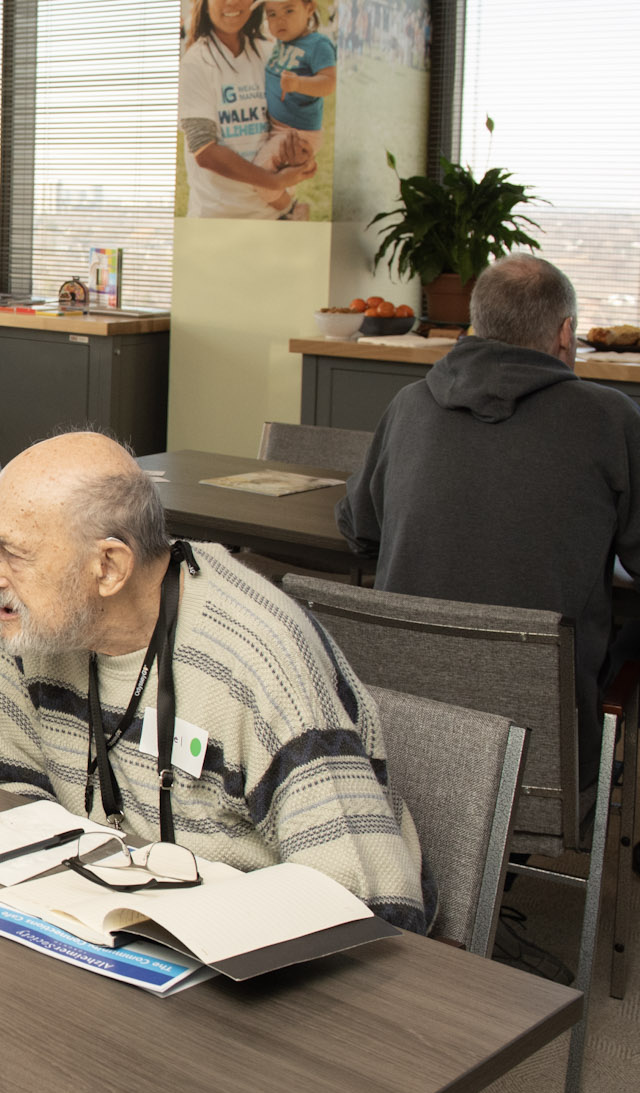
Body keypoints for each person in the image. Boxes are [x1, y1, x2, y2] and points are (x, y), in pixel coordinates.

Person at [0, 432, 431, 932]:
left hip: (253, 950)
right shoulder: (39, 625)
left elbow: (368, 904)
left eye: (12, 552)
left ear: (108, 567)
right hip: (104, 925)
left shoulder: (258, 659)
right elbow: (5, 793)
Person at [338, 254, 640, 783]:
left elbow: (361, 531)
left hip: (405, 736)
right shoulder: (610, 418)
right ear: (565, 332)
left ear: (477, 324)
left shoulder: (410, 404)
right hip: (544, 760)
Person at [179, 0, 315, 220]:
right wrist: (274, 182)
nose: (232, 2)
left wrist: (303, 157)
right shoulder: (196, 63)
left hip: (275, 216)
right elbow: (204, 150)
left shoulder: (271, 54)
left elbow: (289, 127)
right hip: (220, 221)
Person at [257, 0, 336, 215]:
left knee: (261, 179)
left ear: (309, 9)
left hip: (297, 132)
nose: (279, 19)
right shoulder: (282, 43)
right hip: (279, 128)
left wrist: (299, 83)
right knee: (278, 173)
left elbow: (329, 82)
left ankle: (292, 211)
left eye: (288, 10)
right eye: (271, 14)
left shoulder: (318, 44)